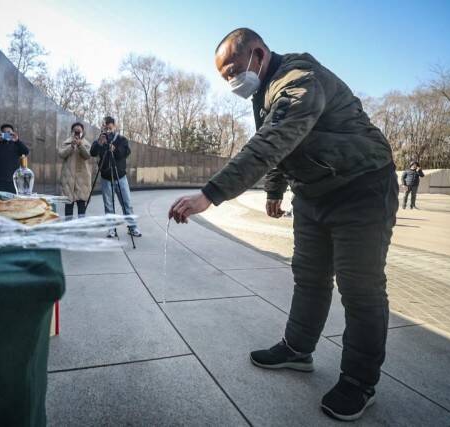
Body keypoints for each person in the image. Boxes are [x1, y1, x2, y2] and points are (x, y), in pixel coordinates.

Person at [168, 28, 397, 422]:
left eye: (233, 71)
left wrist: (210, 194)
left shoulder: (298, 79)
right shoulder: (263, 92)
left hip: (361, 186)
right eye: (223, 77)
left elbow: (275, 138)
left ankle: (360, 382)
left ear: (258, 54)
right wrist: (275, 191)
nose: (230, 82)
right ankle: (297, 348)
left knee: (360, 288)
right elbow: (278, 147)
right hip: (313, 193)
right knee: (308, 276)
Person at [90, 116, 142, 238]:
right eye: (105, 127)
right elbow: (92, 152)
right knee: (108, 205)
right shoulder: (100, 139)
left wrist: (115, 149)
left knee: (127, 203)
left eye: (110, 127)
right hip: (106, 178)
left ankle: (132, 227)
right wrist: (99, 143)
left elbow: (126, 152)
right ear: (103, 127)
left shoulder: (121, 139)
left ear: (114, 126)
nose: (108, 130)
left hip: (120, 177)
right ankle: (111, 229)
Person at [58, 122, 92, 218]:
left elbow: (88, 155)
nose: (77, 133)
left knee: (81, 204)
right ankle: (69, 227)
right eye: (75, 131)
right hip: (68, 178)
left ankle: (81, 226)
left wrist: (80, 145)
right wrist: (71, 147)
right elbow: (61, 154)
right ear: (72, 132)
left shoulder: (86, 144)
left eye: (79, 131)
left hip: (82, 178)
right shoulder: (66, 142)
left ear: (82, 132)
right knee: (68, 204)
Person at [0, 124, 29, 193]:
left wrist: (17, 140)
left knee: (13, 200)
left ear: (13, 133)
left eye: (9, 132)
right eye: (5, 132)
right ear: (2, 134)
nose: (7, 134)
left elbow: (26, 151)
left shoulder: (16, 145)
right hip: (0, 179)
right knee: (0, 200)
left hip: (14, 179)